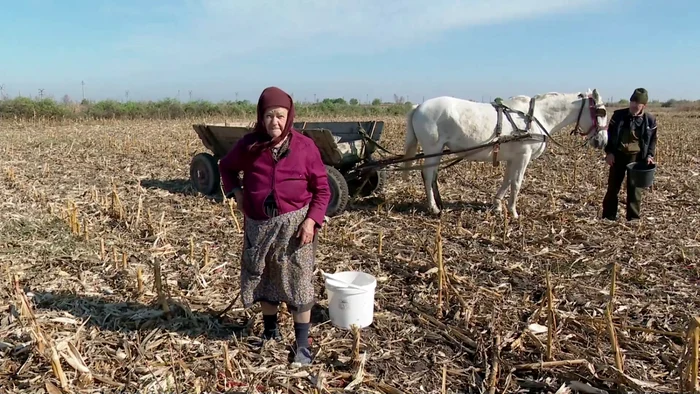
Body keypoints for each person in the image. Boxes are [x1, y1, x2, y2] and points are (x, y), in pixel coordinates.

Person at [218, 86, 331, 365]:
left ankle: (302, 345)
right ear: (261, 117)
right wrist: (238, 192)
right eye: (268, 116)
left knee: (297, 281)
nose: (274, 123)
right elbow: (226, 167)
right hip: (259, 226)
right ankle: (271, 333)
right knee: (265, 277)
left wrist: (311, 221)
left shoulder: (305, 147)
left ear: (289, 115)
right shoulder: (249, 145)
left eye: (280, 116)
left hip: (295, 228)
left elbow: (323, 190)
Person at [602, 87, 658, 221]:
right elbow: (608, 136)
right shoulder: (618, 116)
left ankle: (633, 218)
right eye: (632, 101)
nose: (633, 105)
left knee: (635, 191)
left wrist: (650, 156)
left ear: (644, 105)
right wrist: (609, 153)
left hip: (637, 158)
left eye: (637, 103)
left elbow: (652, 141)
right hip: (618, 156)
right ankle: (609, 216)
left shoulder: (650, 120)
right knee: (612, 188)